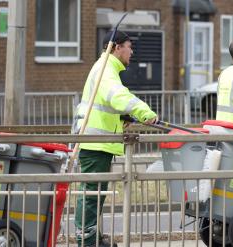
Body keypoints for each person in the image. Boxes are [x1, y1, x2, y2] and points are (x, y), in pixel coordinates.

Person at [74, 30, 158, 247]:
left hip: (97, 142)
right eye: (129, 47)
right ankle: (87, 242)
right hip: (95, 143)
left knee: (95, 194)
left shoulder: (105, 67)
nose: (132, 52)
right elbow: (117, 96)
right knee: (92, 195)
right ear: (116, 47)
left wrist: (121, 117)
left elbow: (106, 103)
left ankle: (92, 238)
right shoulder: (106, 69)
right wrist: (144, 112)